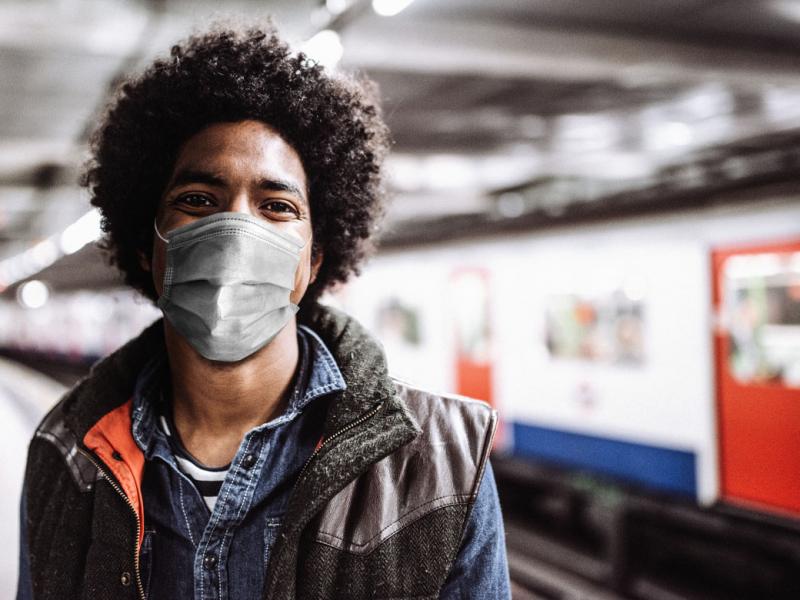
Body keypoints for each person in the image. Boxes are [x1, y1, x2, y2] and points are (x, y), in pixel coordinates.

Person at [17, 24, 510, 600]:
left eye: (276, 206)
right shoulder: (64, 451)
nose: (236, 232)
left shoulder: (443, 461)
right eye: (199, 200)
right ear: (148, 250)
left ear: (312, 259)